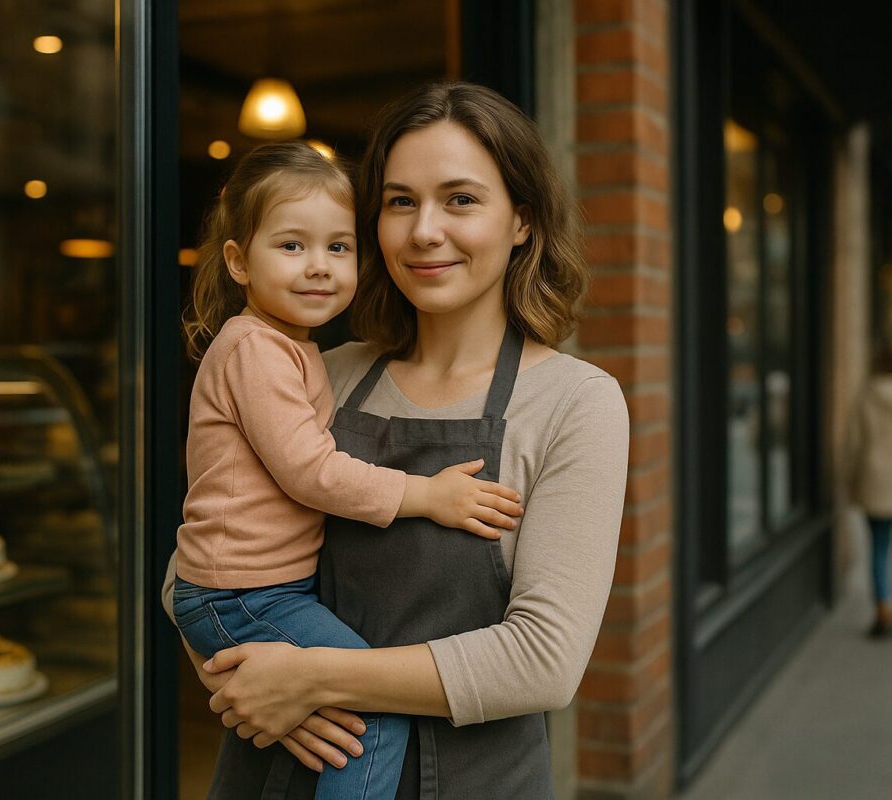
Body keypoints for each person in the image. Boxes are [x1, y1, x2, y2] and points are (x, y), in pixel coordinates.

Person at [163, 82, 630, 799]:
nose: (423, 232)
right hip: (280, 771)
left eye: (462, 200)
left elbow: (543, 660)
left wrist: (310, 678)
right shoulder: (328, 372)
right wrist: (253, 691)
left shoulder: (575, 403)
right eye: (401, 201)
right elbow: (190, 572)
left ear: (522, 221)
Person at [173, 140, 526, 800]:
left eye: (338, 248)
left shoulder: (299, 349)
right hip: (248, 594)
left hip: (264, 590)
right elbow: (311, 471)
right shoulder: (259, 349)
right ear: (237, 262)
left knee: (348, 722)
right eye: (292, 247)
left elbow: (544, 661)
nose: (319, 268)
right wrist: (427, 495)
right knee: (372, 721)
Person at [848, 337, 892, 637]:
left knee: (880, 548)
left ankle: (884, 609)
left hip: (877, 484)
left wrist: (848, 482)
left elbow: (853, 444)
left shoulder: (868, 396)